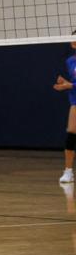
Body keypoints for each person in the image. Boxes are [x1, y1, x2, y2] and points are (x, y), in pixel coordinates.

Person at [51, 34, 76, 184]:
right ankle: (68, 171)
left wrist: (69, 85)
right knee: (71, 133)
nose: (72, 40)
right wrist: (65, 84)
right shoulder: (70, 61)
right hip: (75, 100)